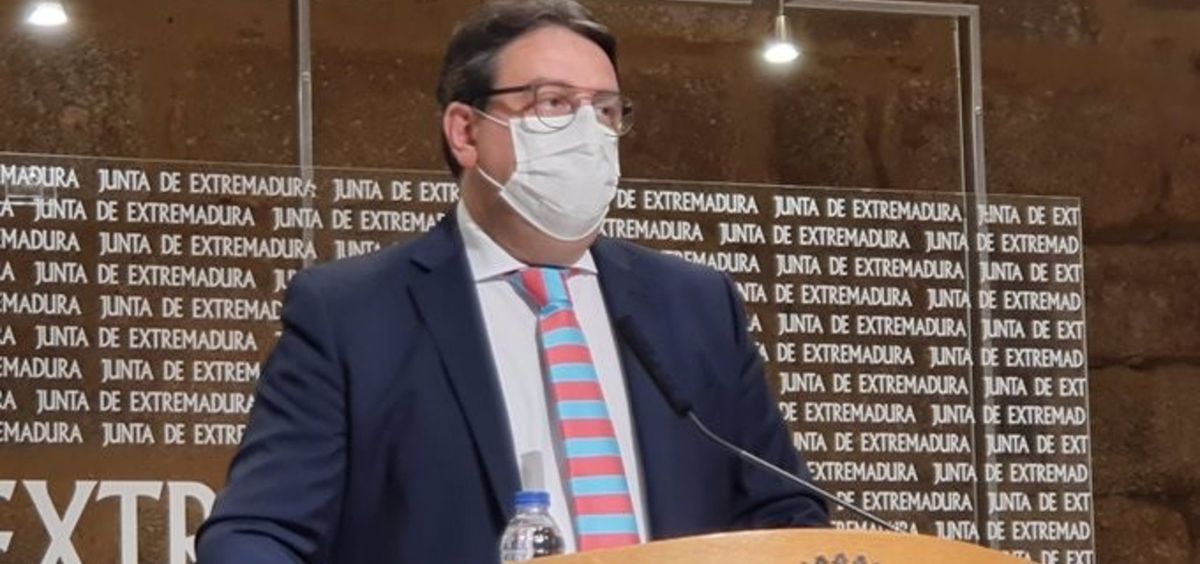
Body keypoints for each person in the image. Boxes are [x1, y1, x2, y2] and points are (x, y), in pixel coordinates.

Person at [196, 1, 827, 562]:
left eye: (605, 110)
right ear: (466, 132)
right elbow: (255, 534)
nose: (588, 132)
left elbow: (787, 514)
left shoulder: (695, 306)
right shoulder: (353, 314)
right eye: (553, 103)